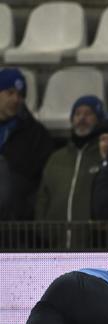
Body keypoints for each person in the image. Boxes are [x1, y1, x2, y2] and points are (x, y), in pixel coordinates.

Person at [36, 95, 105, 224]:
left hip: (93, 240)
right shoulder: (56, 158)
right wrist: (43, 228)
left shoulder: (104, 156)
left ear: (99, 120)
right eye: (77, 113)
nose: (82, 118)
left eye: (88, 113)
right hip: (56, 240)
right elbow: (43, 197)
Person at [0, 68, 54, 220]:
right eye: (9, 93)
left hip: (16, 224)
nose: (16, 100)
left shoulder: (37, 135)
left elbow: (43, 182)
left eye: (20, 95)